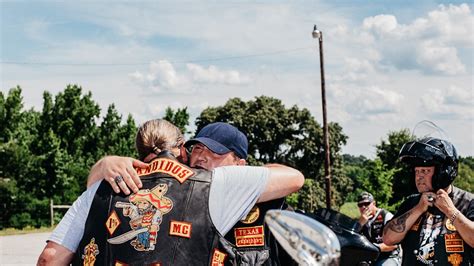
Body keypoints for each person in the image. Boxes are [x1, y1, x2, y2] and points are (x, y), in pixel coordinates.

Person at [38, 120, 304, 265]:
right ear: (182, 150)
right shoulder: (216, 185)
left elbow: (51, 259)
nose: (202, 158)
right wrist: (103, 165)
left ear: (241, 166)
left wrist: (100, 167)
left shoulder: (231, 183)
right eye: (197, 149)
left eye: (215, 153)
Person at [383, 137, 473, 265]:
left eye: (425, 171)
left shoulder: (468, 202)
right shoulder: (411, 203)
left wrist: (450, 211)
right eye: (416, 171)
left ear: (443, 172)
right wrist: (419, 208)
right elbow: (388, 239)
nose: (419, 177)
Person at [354, 191, 401, 265]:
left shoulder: (386, 216)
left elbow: (394, 244)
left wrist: (375, 247)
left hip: (388, 256)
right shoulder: (360, 221)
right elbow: (353, 239)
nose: (363, 207)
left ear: (374, 203)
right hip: (368, 259)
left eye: (366, 204)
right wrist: (359, 224)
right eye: (360, 205)